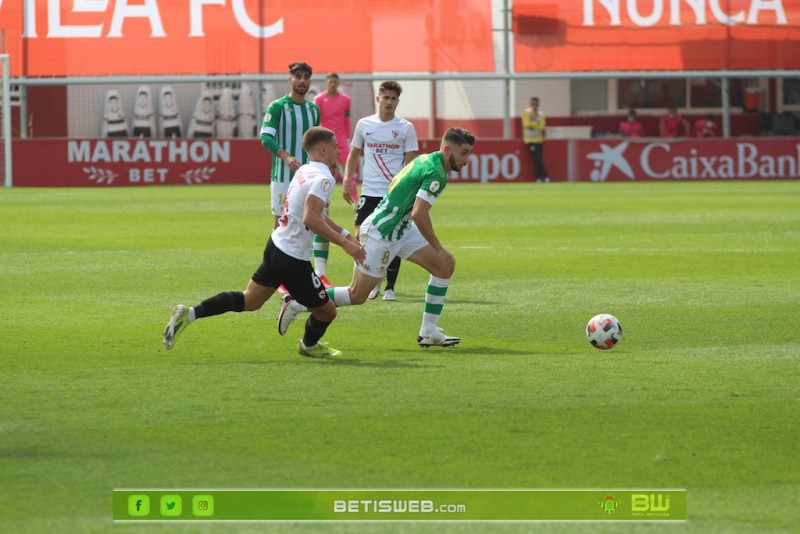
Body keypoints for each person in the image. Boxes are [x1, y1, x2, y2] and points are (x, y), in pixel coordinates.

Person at [162, 126, 366, 358]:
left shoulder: (305, 171)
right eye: (335, 146)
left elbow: (314, 214)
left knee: (250, 300)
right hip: (293, 258)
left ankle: (189, 314)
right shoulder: (324, 178)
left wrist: (347, 236)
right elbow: (311, 217)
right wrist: (345, 244)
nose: (340, 150)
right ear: (322, 149)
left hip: (276, 246)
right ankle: (307, 344)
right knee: (327, 312)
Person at [278, 127, 475, 349]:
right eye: (464, 152)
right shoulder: (437, 172)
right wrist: (438, 247)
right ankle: (298, 302)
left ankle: (428, 332)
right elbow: (420, 213)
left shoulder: (427, 160)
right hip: (382, 231)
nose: (468, 159)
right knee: (357, 294)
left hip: (400, 227)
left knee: (444, 267)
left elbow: (397, 186)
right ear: (448, 149)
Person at [342, 80, 419, 302]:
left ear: (397, 102)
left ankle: (390, 288)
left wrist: (409, 192)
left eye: (393, 99)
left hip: (395, 194)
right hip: (370, 191)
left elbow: (412, 164)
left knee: (393, 238)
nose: (389, 102)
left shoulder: (405, 128)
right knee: (360, 236)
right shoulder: (364, 124)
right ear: (378, 99)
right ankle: (369, 282)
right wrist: (347, 179)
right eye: (385, 97)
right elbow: (354, 154)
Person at [260, 63, 322, 239]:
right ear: (290, 80)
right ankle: (274, 266)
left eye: (306, 77)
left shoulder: (314, 110)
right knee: (281, 224)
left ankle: (317, 267)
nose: (302, 81)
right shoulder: (277, 106)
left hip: (308, 177)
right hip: (283, 176)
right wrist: (286, 156)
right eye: (298, 77)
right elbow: (265, 137)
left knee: (314, 222)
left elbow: (316, 143)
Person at [311, 73, 353, 286]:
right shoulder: (318, 100)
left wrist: (345, 140)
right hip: (324, 148)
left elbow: (346, 122)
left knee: (324, 208)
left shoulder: (345, 99)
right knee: (317, 215)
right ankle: (317, 272)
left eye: (336, 81)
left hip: (339, 143)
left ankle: (319, 273)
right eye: (331, 81)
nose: (334, 84)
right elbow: (316, 126)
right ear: (327, 83)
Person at [522, 97, 549, 182]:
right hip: (530, 140)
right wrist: (536, 124)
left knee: (538, 159)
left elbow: (542, 126)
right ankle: (544, 176)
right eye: (533, 103)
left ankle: (539, 178)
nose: (535, 105)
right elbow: (526, 124)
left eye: (536, 103)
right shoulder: (527, 112)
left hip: (539, 140)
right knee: (536, 158)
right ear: (530, 104)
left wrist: (533, 125)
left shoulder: (541, 114)